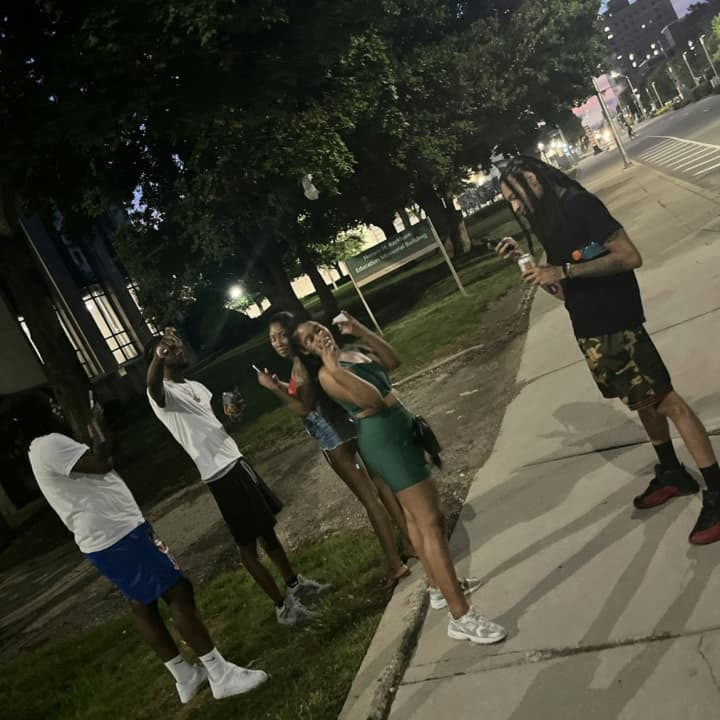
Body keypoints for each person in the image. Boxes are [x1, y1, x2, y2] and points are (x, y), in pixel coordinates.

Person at [496, 155, 720, 545]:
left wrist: (564, 270)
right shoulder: (548, 219)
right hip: (591, 328)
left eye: (514, 197)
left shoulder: (577, 203)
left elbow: (630, 255)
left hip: (618, 322)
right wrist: (526, 263)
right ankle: (671, 471)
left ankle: (716, 490)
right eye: (508, 202)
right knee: (642, 401)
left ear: (532, 180)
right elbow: (563, 292)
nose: (514, 208)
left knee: (667, 402)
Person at [19, 390, 267, 704]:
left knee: (142, 603)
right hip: (117, 534)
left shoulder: (41, 448)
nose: (58, 408)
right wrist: (98, 425)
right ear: (39, 415)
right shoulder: (49, 443)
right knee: (177, 591)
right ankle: (221, 675)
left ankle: (185, 677)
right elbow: (102, 463)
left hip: (106, 536)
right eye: (51, 405)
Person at [292, 313, 507, 645]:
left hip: (400, 429)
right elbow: (372, 401)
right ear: (307, 351)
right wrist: (334, 367)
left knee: (414, 517)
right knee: (431, 521)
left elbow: (392, 361)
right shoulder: (327, 375)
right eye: (309, 339)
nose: (318, 336)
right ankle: (461, 616)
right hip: (385, 441)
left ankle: (439, 587)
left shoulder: (350, 352)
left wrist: (360, 329)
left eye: (317, 329)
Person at [145, 328, 329, 625]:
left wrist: (232, 418)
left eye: (175, 346)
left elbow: (211, 426)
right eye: (168, 349)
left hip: (235, 460)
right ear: (159, 357)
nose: (176, 349)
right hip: (220, 474)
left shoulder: (195, 386)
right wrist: (158, 357)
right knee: (247, 545)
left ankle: (296, 585)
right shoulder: (162, 394)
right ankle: (283, 608)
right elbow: (152, 385)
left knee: (267, 530)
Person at [260, 311, 412, 586]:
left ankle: (395, 563)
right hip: (353, 426)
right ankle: (412, 543)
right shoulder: (309, 360)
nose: (278, 342)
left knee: (370, 498)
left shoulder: (301, 364)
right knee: (383, 486)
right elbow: (304, 391)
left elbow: (303, 407)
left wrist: (272, 389)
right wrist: (282, 384)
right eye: (272, 339)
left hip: (335, 440)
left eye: (282, 335)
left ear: (293, 337)